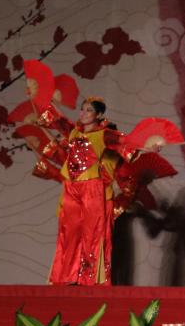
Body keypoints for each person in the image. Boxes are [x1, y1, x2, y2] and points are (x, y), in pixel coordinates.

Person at [36, 96, 125, 285]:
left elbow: (128, 143)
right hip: (72, 188)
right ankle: (65, 277)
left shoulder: (104, 135)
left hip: (92, 187)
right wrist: (37, 97)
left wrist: (150, 146)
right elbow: (57, 119)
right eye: (82, 109)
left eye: (89, 110)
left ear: (99, 115)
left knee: (92, 234)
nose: (83, 113)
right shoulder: (74, 131)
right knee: (68, 232)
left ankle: (89, 280)